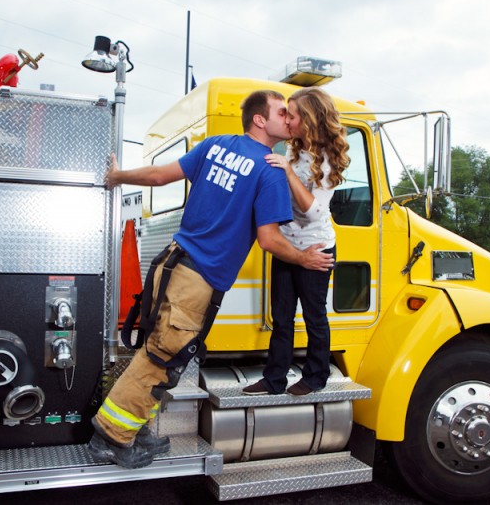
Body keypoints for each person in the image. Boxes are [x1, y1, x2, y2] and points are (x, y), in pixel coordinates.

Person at [88, 89, 335, 469]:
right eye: (282, 112)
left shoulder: (216, 145)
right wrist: (303, 257)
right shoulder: (269, 171)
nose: (288, 119)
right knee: (161, 358)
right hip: (196, 279)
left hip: (170, 263)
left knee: (156, 351)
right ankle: (111, 438)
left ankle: (133, 428)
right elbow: (269, 240)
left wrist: (118, 175)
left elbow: (158, 175)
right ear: (259, 119)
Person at [242, 87, 350, 397]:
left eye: (292, 114)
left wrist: (288, 171)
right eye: (285, 113)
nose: (287, 120)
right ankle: (274, 380)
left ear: (309, 119)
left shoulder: (327, 159)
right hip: (288, 247)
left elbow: (313, 211)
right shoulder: (291, 148)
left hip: (316, 249)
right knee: (282, 317)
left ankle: (316, 377)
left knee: (314, 316)